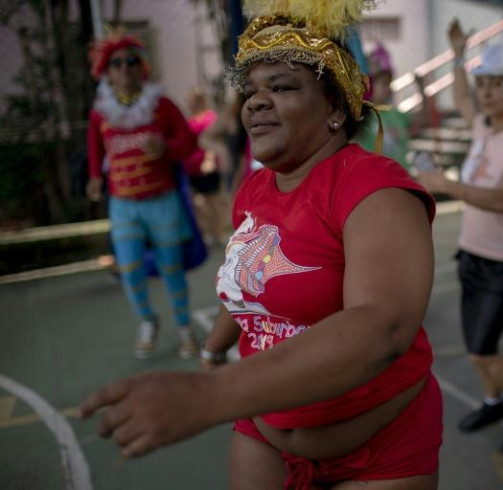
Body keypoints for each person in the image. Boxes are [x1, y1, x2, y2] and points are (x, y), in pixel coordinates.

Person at [80, 1, 443, 488]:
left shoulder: (374, 186)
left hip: (378, 454)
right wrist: (213, 351)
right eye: (250, 91)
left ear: (336, 107)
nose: (254, 102)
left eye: (283, 86)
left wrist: (210, 394)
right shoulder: (253, 191)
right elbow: (249, 283)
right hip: (264, 435)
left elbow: (383, 327)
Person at [417, 19, 503, 455]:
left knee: (480, 349)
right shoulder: (485, 128)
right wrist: (458, 54)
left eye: (497, 85)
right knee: (479, 347)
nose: (487, 93)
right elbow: (459, 97)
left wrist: (447, 185)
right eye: (484, 85)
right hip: (473, 253)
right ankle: (493, 402)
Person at [86, 31, 199, 360]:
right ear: (106, 71)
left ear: (143, 66)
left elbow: (189, 142)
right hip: (123, 206)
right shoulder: (100, 113)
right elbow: (94, 149)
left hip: (162, 202)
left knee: (171, 268)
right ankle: (148, 320)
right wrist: (95, 178)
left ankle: (184, 328)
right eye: (116, 63)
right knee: (130, 270)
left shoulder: (161, 105)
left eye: (131, 61)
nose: (124, 69)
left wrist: (167, 147)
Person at [354, 42, 431, 170]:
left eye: (389, 83)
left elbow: (424, 119)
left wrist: (422, 89)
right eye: (383, 83)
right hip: (375, 180)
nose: (388, 88)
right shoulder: (362, 115)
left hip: (400, 177)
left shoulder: (395, 113)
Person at [183, 87, 226, 246]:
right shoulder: (190, 121)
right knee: (198, 203)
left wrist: (209, 159)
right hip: (191, 168)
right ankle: (207, 232)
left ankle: (218, 233)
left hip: (207, 168)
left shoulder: (210, 117)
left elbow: (213, 140)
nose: (189, 104)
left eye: (192, 102)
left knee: (213, 201)